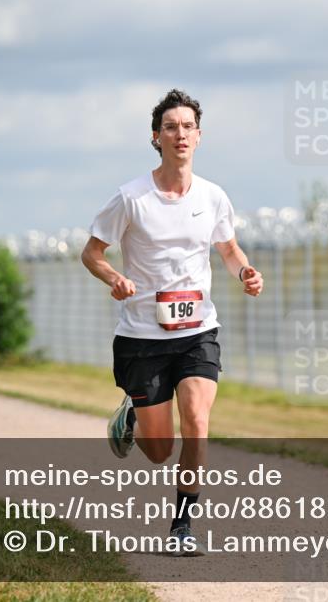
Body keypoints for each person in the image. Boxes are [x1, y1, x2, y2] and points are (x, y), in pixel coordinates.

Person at [81, 89, 262, 555]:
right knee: (160, 451)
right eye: (170, 127)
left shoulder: (213, 196)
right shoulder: (131, 198)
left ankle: (182, 526)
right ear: (156, 138)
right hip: (142, 336)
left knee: (197, 422)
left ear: (199, 137)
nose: (179, 134)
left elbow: (227, 248)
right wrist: (114, 277)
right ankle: (132, 416)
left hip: (198, 330)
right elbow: (92, 253)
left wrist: (244, 270)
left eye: (187, 127)